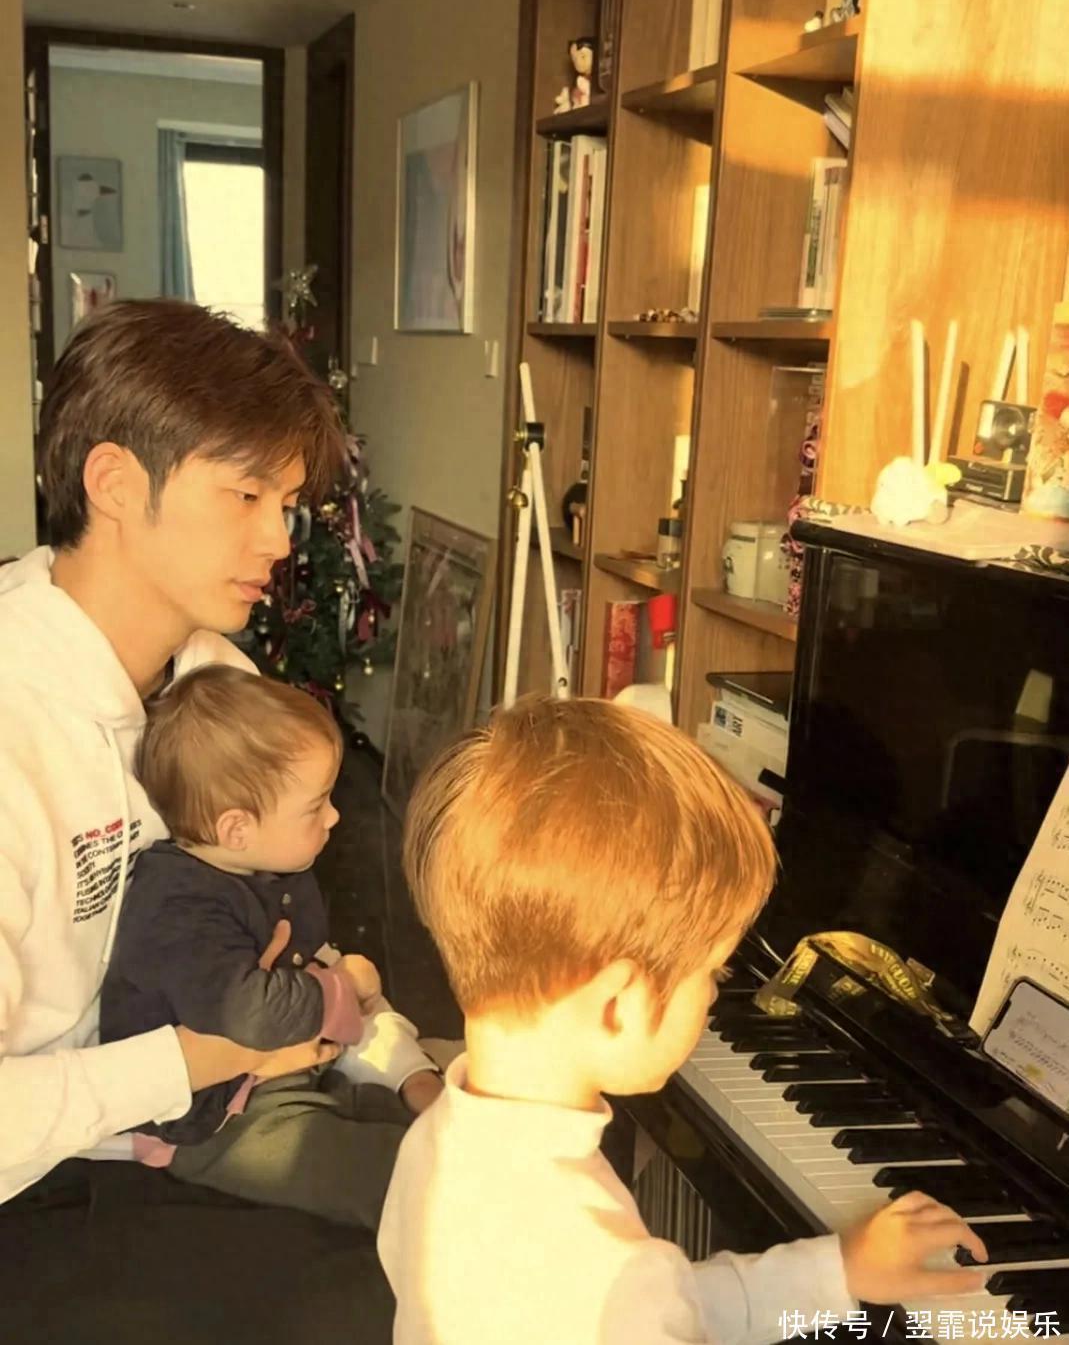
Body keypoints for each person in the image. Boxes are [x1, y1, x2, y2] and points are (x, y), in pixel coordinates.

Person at [0, 299, 396, 1339]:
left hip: (201, 1120)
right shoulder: (11, 724)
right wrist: (201, 1055)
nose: (279, 536)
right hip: (41, 1183)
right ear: (114, 484)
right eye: (246, 493)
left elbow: (272, 926)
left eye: (288, 500)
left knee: (467, 1211)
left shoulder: (213, 673)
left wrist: (382, 1044)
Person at [378, 697, 990, 1345]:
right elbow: (639, 1301)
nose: (715, 994)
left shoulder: (437, 1143)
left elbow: (662, 1299)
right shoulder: (604, 1280)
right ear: (618, 1005)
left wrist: (836, 1270)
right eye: (715, 972)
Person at [100, 663, 442, 1223]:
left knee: (404, 1121)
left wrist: (407, 1069)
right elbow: (250, 1010)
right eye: (315, 806)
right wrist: (340, 988)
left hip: (280, 1079)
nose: (335, 816)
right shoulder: (177, 907)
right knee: (385, 1172)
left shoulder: (269, 868)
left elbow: (308, 965)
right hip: (213, 1121)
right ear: (236, 828)